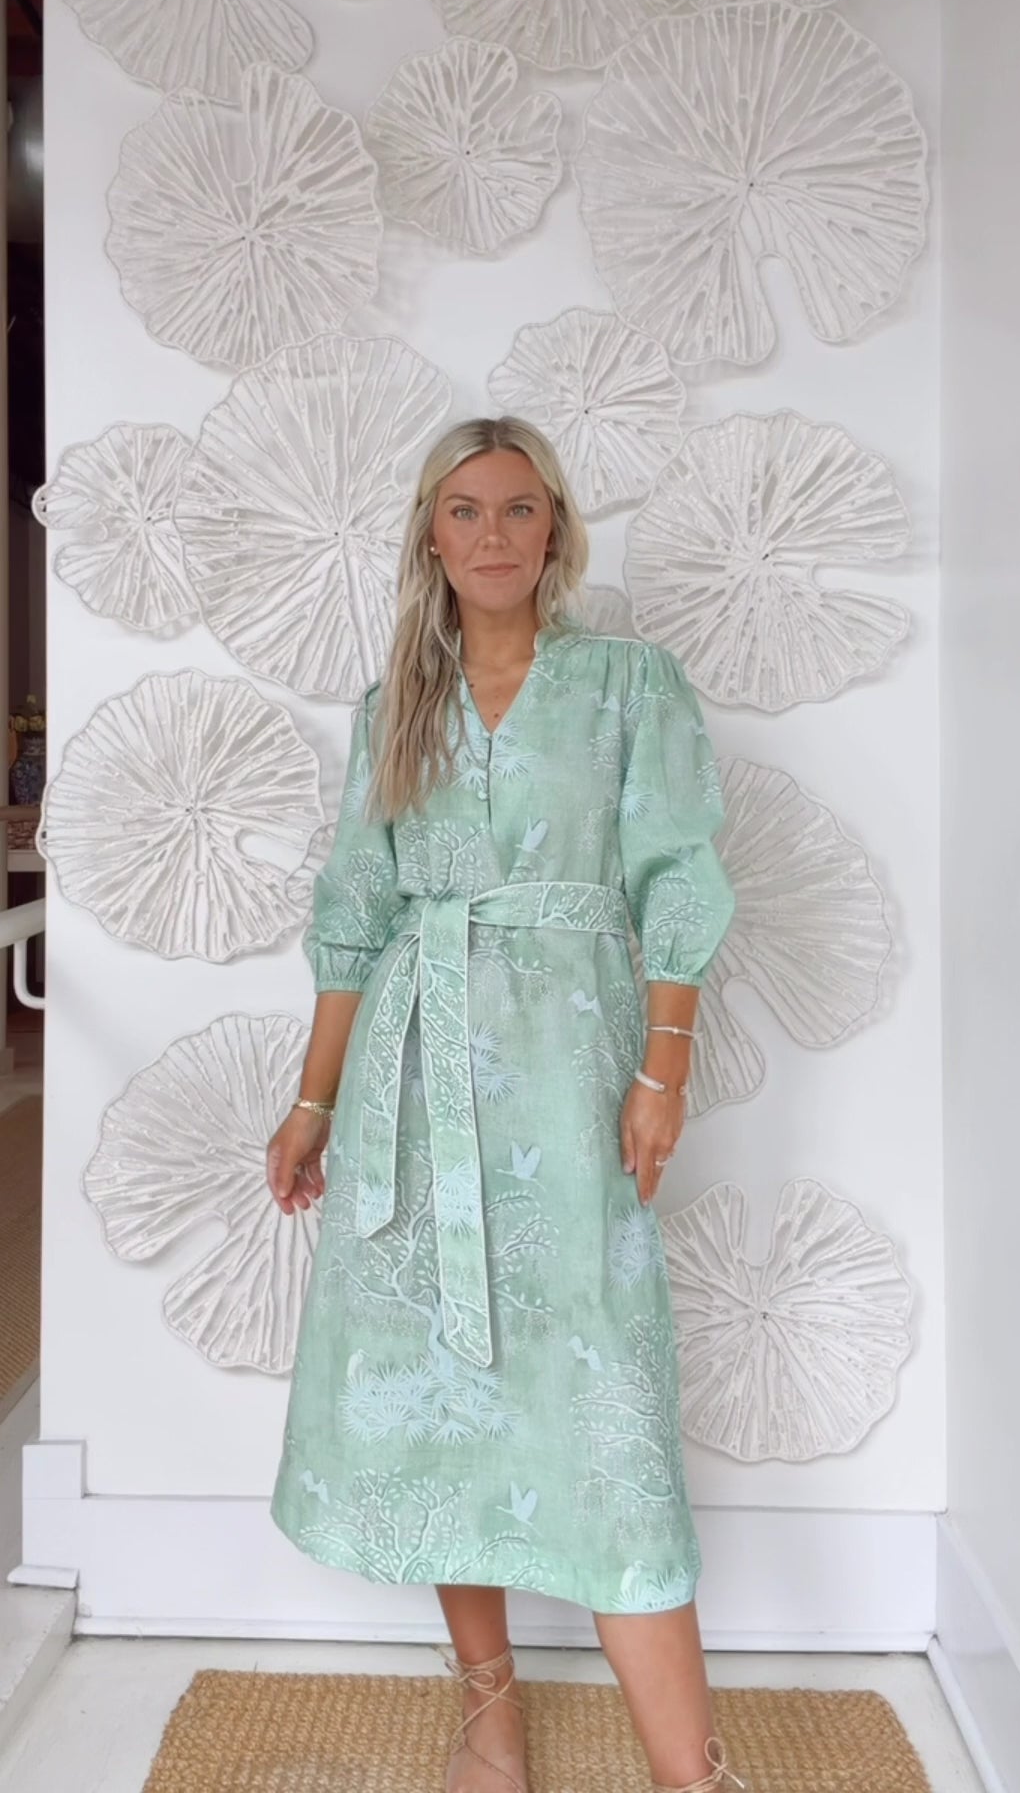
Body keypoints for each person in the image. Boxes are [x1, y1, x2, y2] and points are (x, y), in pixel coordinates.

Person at [266, 417, 741, 1793]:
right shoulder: (393, 708)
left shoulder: (628, 684)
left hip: (568, 1079)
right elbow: (356, 916)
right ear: (432, 534)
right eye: (465, 510)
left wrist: (663, 1069)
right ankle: (490, 1714)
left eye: (519, 509)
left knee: (605, 1391)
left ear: (555, 532)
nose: (492, 534)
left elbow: (677, 873)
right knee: (438, 1390)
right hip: (412, 1082)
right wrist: (313, 1103)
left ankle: (689, 1770)